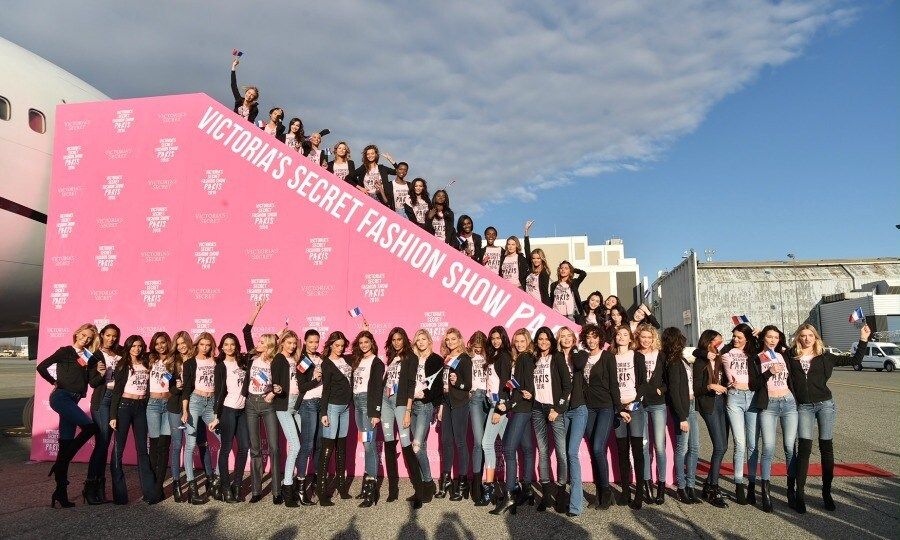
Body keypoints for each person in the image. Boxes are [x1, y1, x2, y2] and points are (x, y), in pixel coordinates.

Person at [786, 323, 870, 513]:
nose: (807, 339)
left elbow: (855, 360)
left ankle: (826, 492)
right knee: (804, 449)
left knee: (826, 448)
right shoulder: (791, 356)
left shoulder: (826, 357)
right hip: (804, 407)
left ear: (816, 338)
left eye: (810, 335)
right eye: (803, 335)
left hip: (825, 405)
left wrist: (863, 339)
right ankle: (800, 495)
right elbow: (769, 350)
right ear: (798, 338)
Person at [37, 324, 101, 508]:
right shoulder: (65, 351)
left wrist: (101, 373)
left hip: (72, 401)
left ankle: (60, 493)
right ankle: (62, 462)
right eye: (83, 335)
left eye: (89, 338)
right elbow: (42, 367)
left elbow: (89, 379)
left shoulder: (88, 356)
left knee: (65, 445)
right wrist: (54, 382)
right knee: (90, 427)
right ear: (76, 334)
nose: (86, 339)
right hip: (61, 397)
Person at [491, 329, 537, 515]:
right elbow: (519, 385)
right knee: (526, 448)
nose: (519, 344)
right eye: (516, 341)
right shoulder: (520, 359)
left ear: (528, 341)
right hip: (521, 408)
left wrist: (508, 405)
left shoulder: (525, 359)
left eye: (522, 341)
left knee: (509, 450)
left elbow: (526, 388)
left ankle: (509, 495)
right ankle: (526, 490)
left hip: (521, 409)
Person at [108, 335, 157, 504]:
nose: (137, 349)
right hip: (124, 407)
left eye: (139, 346)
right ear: (128, 347)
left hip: (141, 407)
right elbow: (116, 392)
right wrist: (113, 415)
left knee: (143, 450)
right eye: (134, 346)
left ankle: (150, 494)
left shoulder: (147, 363)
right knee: (118, 451)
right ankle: (120, 496)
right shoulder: (123, 365)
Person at [754, 325, 797, 512]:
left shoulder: (784, 355)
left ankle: (791, 491)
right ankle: (766, 493)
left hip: (788, 402)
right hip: (769, 404)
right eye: (769, 337)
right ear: (763, 338)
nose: (773, 340)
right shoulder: (756, 357)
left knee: (789, 447)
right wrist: (769, 372)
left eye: (776, 337)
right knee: (768, 448)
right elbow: (754, 383)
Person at [382, 328, 426, 508]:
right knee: (389, 443)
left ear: (404, 340)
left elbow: (410, 384)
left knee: (406, 445)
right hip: (385, 402)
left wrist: (408, 410)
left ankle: (419, 491)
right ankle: (393, 490)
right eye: (393, 339)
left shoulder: (411, 358)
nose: (396, 342)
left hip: (401, 404)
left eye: (399, 339)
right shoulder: (391, 358)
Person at [531, 327, 571, 512]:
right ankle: (547, 495)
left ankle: (562, 493)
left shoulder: (558, 358)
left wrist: (559, 408)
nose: (543, 342)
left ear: (551, 341)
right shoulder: (534, 359)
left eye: (546, 339)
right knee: (543, 451)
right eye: (540, 339)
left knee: (561, 452)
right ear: (537, 341)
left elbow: (567, 386)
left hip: (554, 408)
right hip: (537, 408)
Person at [721, 323, 761, 505]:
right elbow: (701, 352)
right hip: (734, 398)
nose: (736, 340)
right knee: (740, 443)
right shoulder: (727, 352)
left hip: (752, 398)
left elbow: (780, 347)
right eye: (734, 336)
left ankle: (752, 483)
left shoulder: (755, 353)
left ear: (747, 338)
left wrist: (759, 336)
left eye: (740, 337)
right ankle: (738, 484)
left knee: (752, 444)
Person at [180, 332, 221, 504]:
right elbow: (187, 387)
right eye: (202, 344)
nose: (205, 347)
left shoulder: (217, 362)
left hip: (211, 403)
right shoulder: (190, 363)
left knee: (224, 439)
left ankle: (215, 482)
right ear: (197, 345)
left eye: (208, 345)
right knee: (190, 445)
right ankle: (192, 487)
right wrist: (185, 410)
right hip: (195, 402)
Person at [242, 328, 282, 504]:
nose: (258, 344)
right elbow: (246, 332)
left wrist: (274, 391)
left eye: (262, 342)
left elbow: (281, 382)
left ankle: (276, 491)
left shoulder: (275, 362)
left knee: (274, 447)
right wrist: (256, 311)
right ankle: (256, 490)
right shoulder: (251, 358)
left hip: (268, 404)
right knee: (255, 449)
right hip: (251, 403)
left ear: (269, 346)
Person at [611, 326, 648, 509]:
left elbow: (643, 383)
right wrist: (618, 407)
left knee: (637, 451)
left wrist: (634, 402)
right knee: (622, 451)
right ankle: (625, 492)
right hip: (618, 409)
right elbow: (609, 384)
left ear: (630, 338)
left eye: (625, 334)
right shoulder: (610, 358)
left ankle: (639, 493)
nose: (622, 337)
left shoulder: (637, 357)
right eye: (619, 334)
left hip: (635, 408)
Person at [663, 328, 701, 504]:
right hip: (683, 409)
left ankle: (691, 486)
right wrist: (681, 417)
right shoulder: (673, 362)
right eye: (680, 339)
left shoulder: (683, 360)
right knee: (682, 448)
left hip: (691, 406)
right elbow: (674, 392)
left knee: (694, 448)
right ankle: (682, 487)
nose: (684, 342)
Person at [84, 323, 121, 504]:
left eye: (114, 336)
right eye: (108, 335)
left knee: (105, 444)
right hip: (102, 400)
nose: (111, 339)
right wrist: (100, 373)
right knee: (103, 442)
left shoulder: (120, 353)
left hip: (117, 400)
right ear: (102, 335)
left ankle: (99, 488)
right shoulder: (96, 355)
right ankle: (90, 488)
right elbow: (92, 382)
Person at [693, 330, 730, 508]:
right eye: (717, 342)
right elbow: (696, 389)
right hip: (709, 405)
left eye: (721, 342)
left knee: (724, 446)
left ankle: (709, 484)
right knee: (720, 445)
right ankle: (713, 488)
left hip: (723, 402)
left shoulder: (721, 358)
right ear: (708, 343)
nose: (720, 344)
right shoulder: (701, 361)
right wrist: (710, 386)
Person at [212, 332, 250, 504]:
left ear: (236, 346)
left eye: (232, 344)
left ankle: (237, 485)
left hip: (243, 411)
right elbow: (219, 392)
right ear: (221, 347)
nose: (229, 347)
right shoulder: (221, 366)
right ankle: (226, 487)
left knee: (244, 447)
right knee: (226, 448)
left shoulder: (243, 362)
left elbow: (255, 348)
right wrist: (216, 416)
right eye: (226, 344)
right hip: (227, 410)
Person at [435, 328, 473, 501]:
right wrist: (443, 405)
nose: (450, 342)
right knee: (445, 442)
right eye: (447, 340)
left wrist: (458, 383)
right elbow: (444, 385)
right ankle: (446, 481)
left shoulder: (465, 359)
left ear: (459, 340)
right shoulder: (447, 359)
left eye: (453, 339)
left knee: (460, 442)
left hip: (460, 403)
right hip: (448, 403)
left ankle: (463, 484)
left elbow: (468, 385)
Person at [350, 329, 386, 507]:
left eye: (367, 341)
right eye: (361, 342)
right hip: (357, 405)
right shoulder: (357, 361)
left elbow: (377, 388)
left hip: (368, 406)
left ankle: (371, 492)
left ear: (372, 343)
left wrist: (376, 413)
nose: (364, 345)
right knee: (365, 443)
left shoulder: (377, 362)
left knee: (370, 446)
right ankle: (366, 487)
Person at [317, 331, 353, 506]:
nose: (339, 348)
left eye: (342, 345)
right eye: (336, 345)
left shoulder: (347, 360)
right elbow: (326, 390)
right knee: (328, 448)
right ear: (330, 345)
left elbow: (364, 350)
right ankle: (322, 490)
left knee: (342, 447)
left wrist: (366, 331)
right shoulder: (326, 364)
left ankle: (341, 486)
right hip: (332, 407)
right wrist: (323, 413)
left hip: (346, 408)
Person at [408, 329, 444, 502]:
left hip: (424, 406)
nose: (421, 342)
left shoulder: (436, 360)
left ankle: (429, 483)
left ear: (429, 341)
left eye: (424, 339)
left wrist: (426, 396)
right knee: (418, 448)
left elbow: (437, 386)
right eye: (418, 339)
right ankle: (422, 486)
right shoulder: (412, 359)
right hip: (411, 405)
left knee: (417, 445)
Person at [478, 326, 512, 507]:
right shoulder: (493, 356)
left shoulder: (504, 357)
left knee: (487, 444)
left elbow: (506, 385)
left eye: (498, 338)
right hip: (492, 404)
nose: (495, 341)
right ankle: (511, 488)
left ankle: (490, 487)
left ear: (503, 338)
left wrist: (500, 409)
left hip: (499, 407)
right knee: (507, 446)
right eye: (493, 338)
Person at [635, 324, 668, 505]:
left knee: (660, 447)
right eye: (643, 337)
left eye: (649, 337)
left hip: (657, 405)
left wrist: (660, 391)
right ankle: (647, 485)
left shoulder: (661, 356)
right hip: (640, 405)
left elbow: (667, 381)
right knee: (644, 447)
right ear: (638, 337)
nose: (646, 340)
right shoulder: (635, 355)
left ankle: (661, 486)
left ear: (653, 338)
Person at [558, 326, 588, 516]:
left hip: (578, 409)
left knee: (572, 452)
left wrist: (574, 349)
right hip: (562, 410)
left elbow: (578, 365)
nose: (567, 338)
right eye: (563, 336)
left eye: (570, 336)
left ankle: (576, 505)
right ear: (559, 339)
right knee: (564, 454)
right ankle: (567, 496)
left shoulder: (580, 354)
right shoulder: (556, 357)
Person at [272, 330, 304, 507]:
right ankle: (287, 486)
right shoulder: (278, 359)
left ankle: (293, 483)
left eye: (294, 343)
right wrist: (275, 390)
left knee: (301, 444)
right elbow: (274, 382)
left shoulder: (295, 360)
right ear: (282, 342)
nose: (292, 346)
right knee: (296, 445)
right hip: (284, 406)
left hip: (296, 405)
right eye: (289, 343)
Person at [295, 329, 324, 505]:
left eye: (316, 341)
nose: (314, 344)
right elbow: (301, 386)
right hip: (308, 404)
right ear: (305, 341)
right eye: (311, 341)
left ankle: (316, 483)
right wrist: (316, 380)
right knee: (307, 445)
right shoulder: (304, 361)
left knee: (319, 445)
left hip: (322, 404)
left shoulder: (321, 358)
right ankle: (300, 486)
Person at [146, 332, 175, 504]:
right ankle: (153, 486)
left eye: (163, 342)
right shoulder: (150, 359)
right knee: (155, 446)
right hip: (153, 405)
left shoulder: (174, 360)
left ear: (167, 343)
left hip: (169, 405)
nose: (160, 346)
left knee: (164, 446)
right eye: (157, 343)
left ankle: (158, 488)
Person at [523, 220, 551, 305]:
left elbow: (545, 293)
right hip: (527, 303)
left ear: (542, 259)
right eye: (534, 258)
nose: (536, 260)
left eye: (538, 258)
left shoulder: (544, 273)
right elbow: (527, 250)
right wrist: (526, 232)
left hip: (539, 305)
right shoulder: (530, 269)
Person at [230, 58, 258, 123]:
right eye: (249, 93)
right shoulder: (239, 100)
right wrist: (233, 66)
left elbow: (250, 122)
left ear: (254, 98)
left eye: (252, 95)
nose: (249, 95)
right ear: (246, 93)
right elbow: (233, 85)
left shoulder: (254, 109)